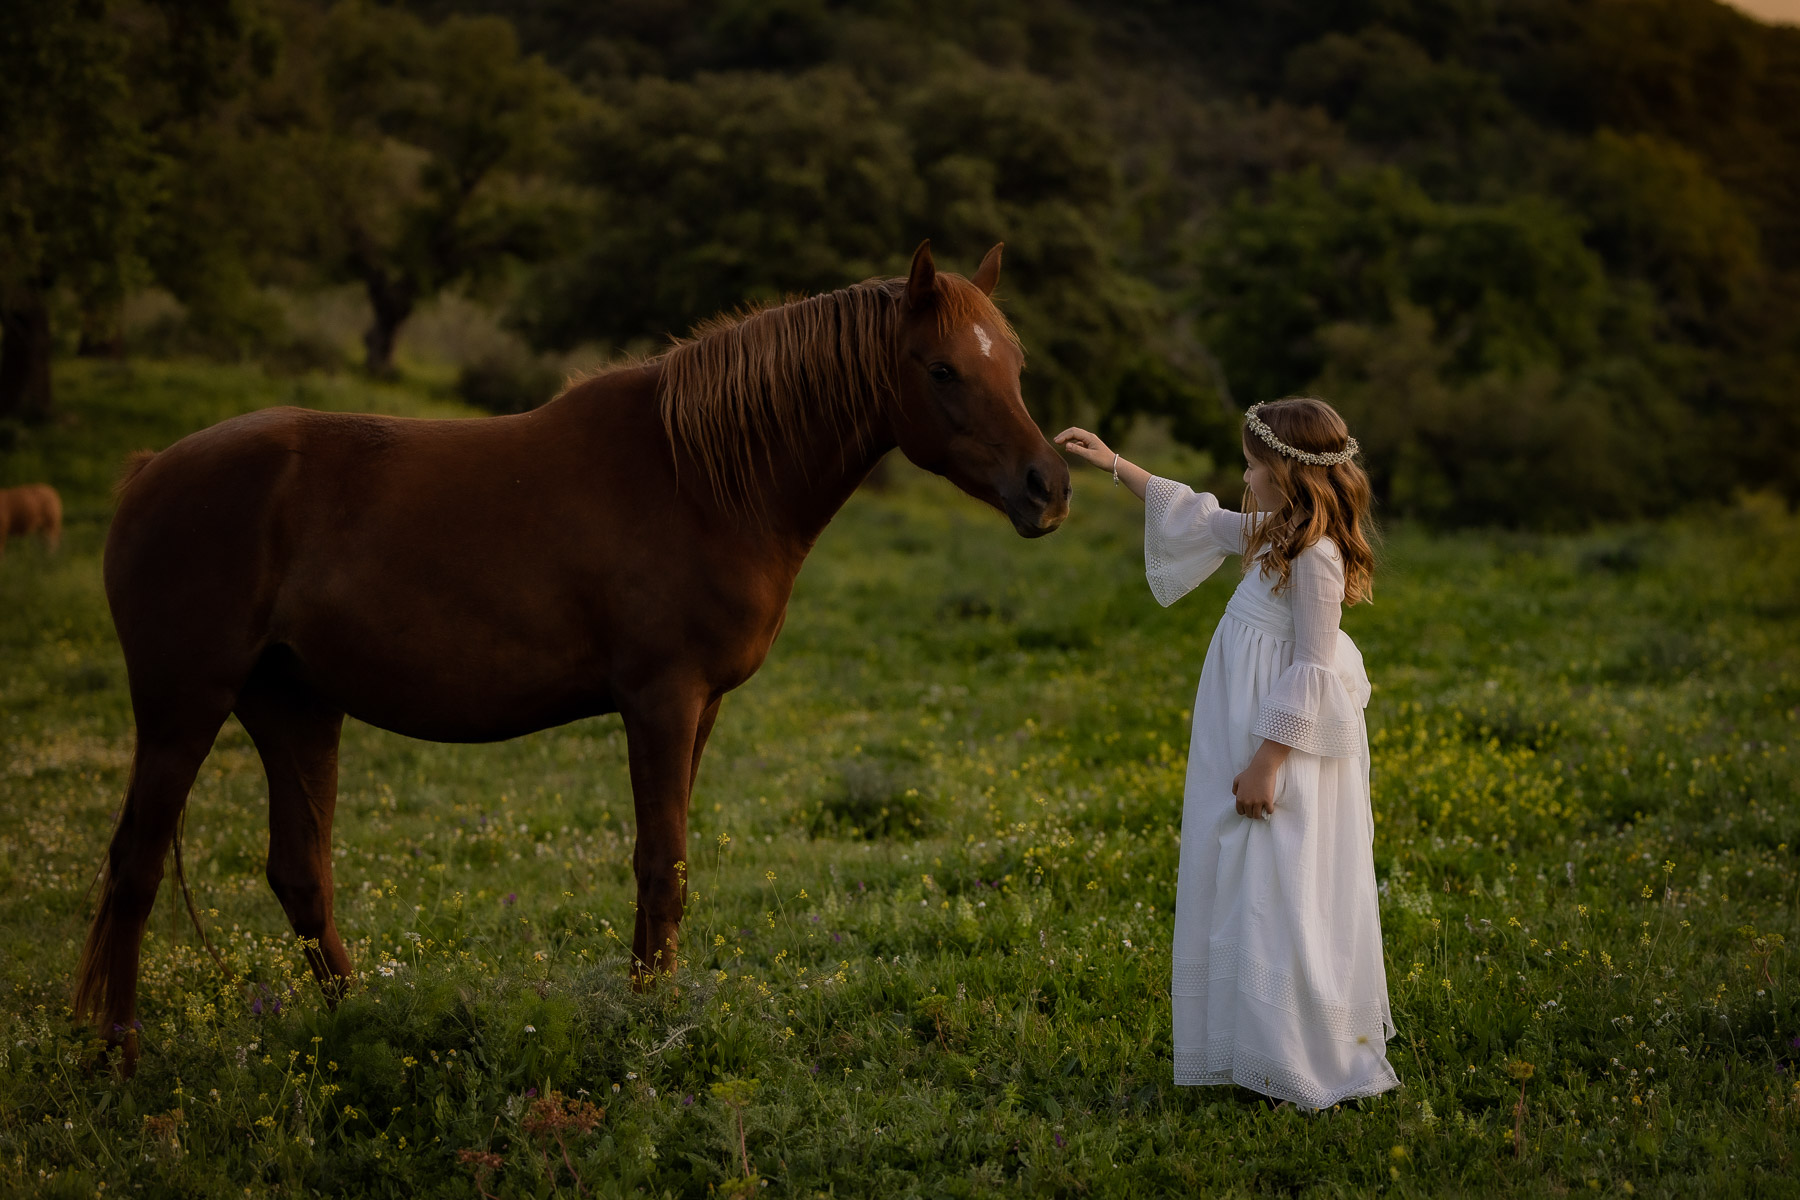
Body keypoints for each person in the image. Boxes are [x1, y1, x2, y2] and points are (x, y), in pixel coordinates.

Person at [1055, 398, 1398, 1109]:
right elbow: (1197, 516)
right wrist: (1114, 464)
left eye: (1250, 464)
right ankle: (1255, 1050)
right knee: (1244, 879)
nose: (1243, 476)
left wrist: (1268, 763)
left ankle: (1295, 1058)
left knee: (1278, 882)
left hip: (1278, 743)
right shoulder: (1275, 531)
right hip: (1242, 727)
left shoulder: (1316, 556)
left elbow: (1312, 666)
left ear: (1284, 472)